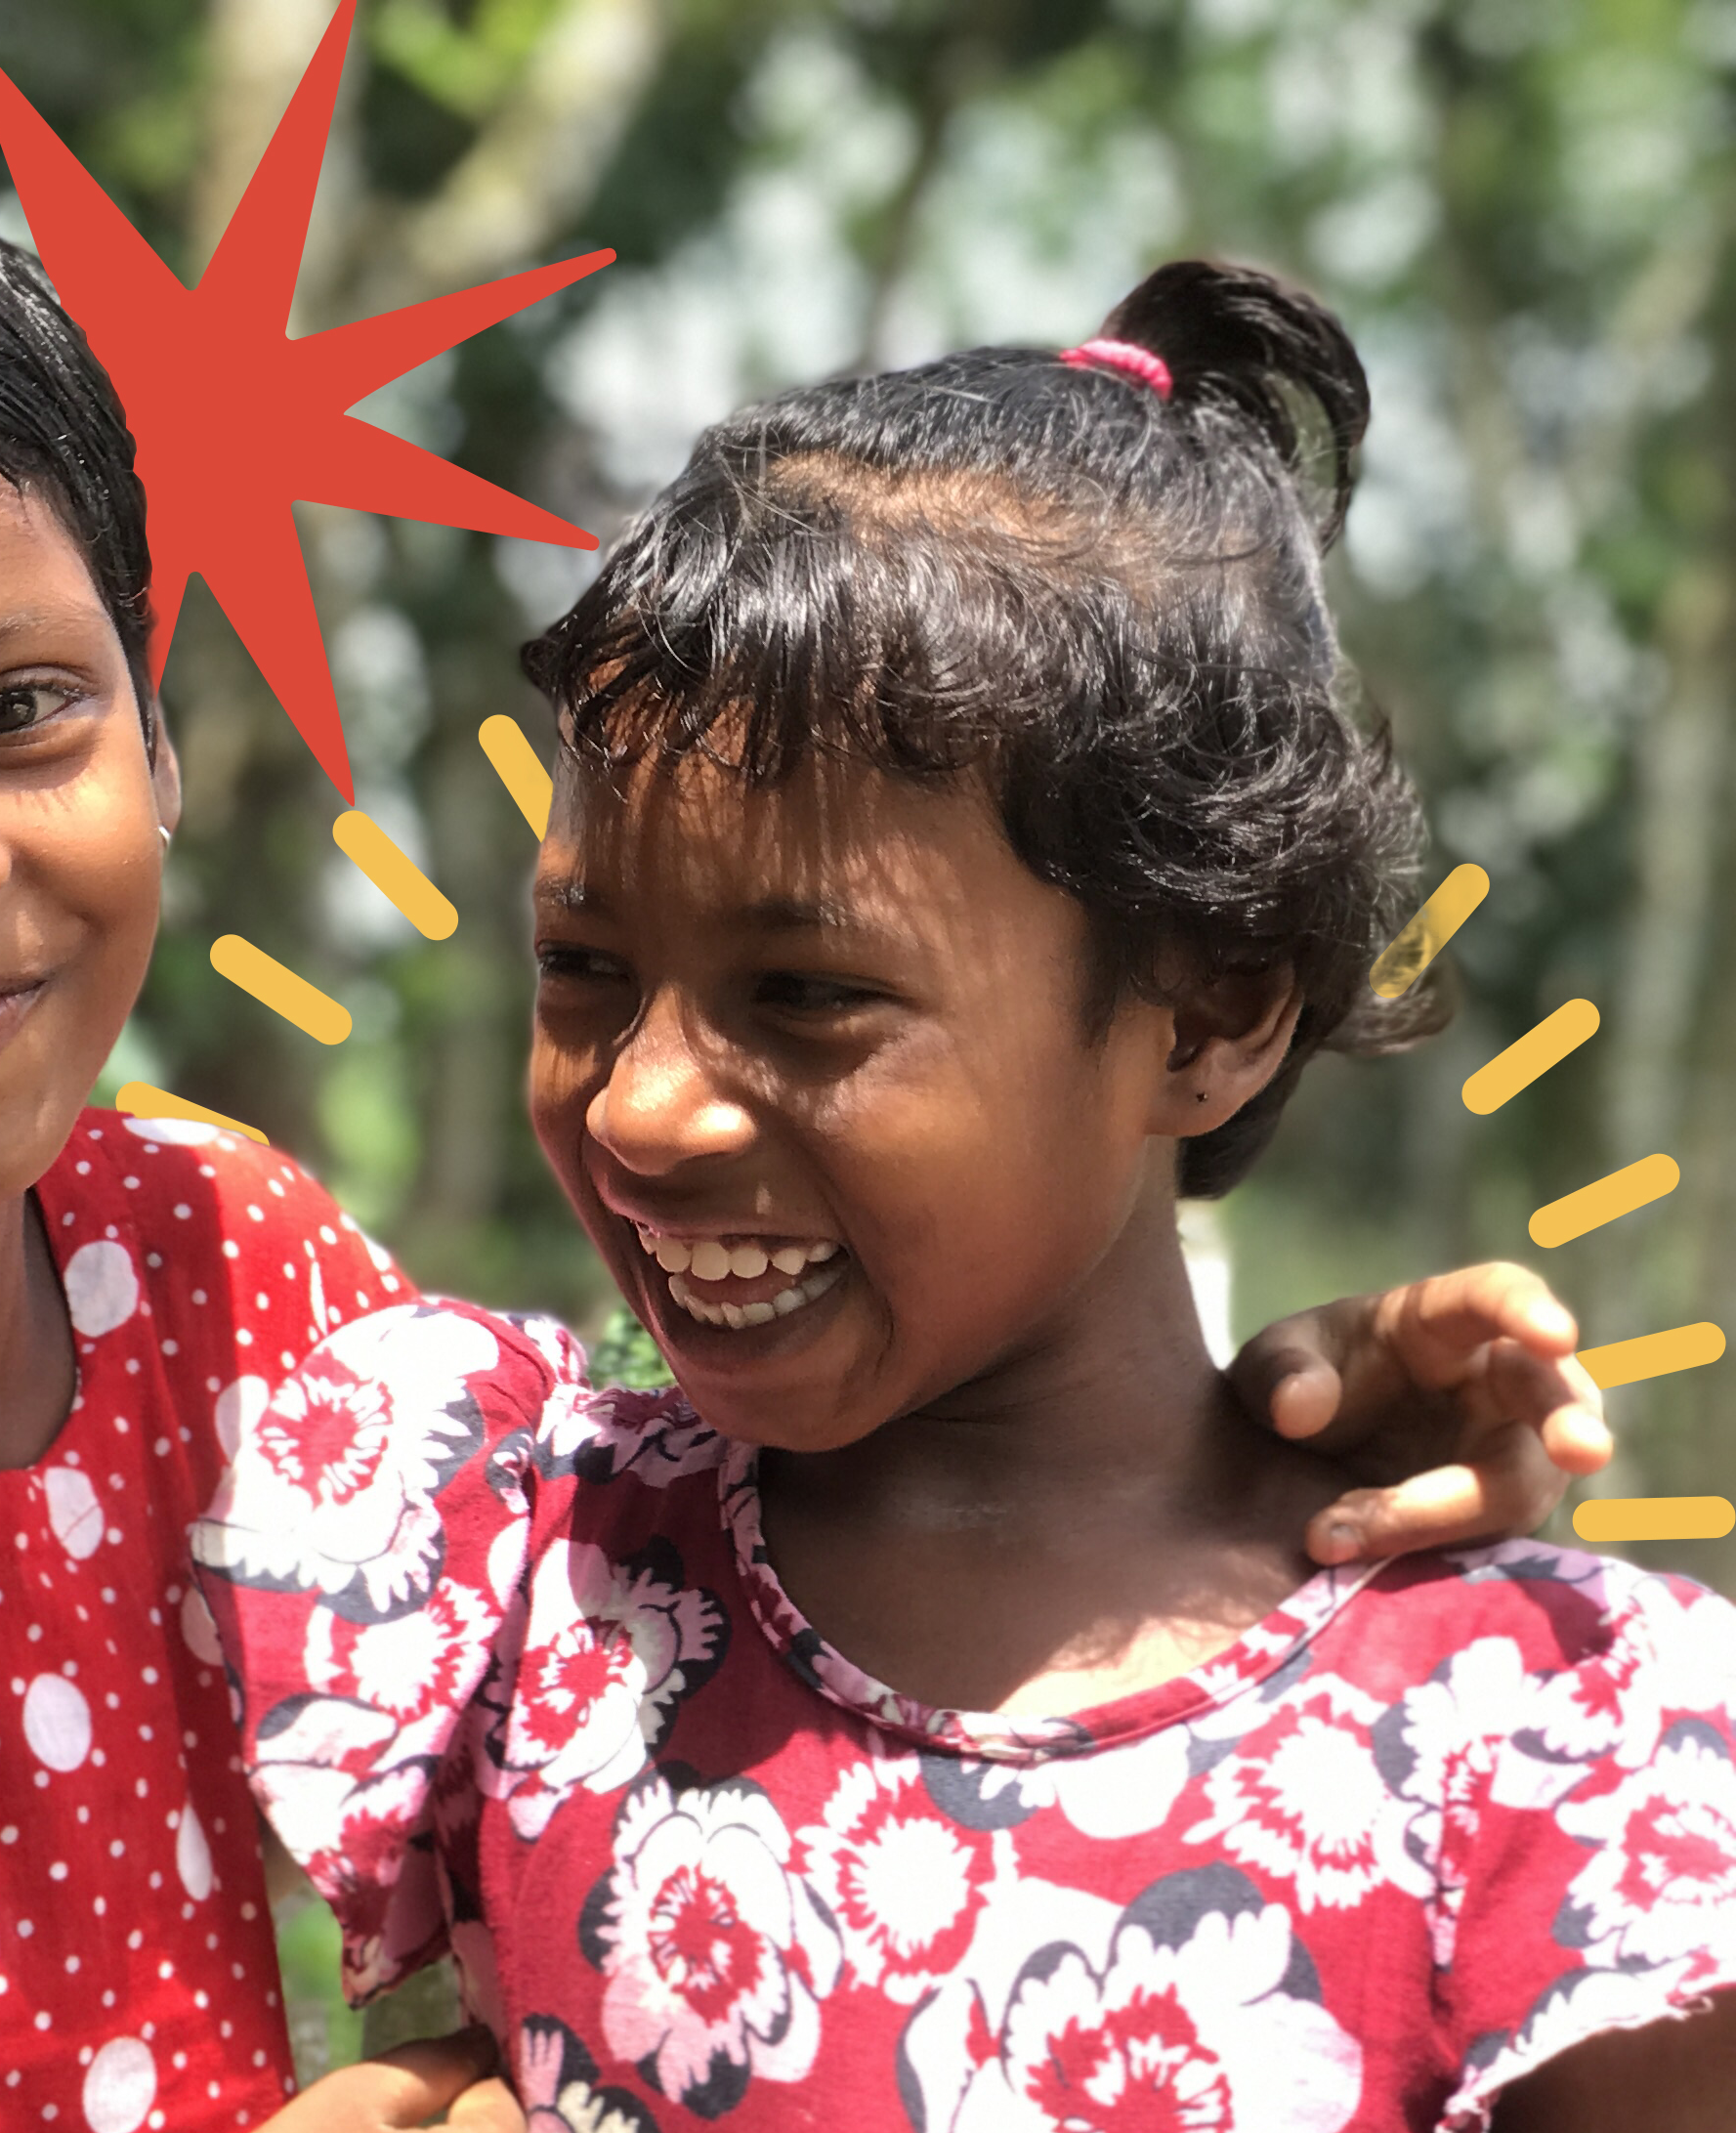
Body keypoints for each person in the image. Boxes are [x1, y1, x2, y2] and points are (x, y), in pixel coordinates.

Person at [0, 144, 1604, 2133]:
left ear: (155, 736)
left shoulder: (217, 1265)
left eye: (14, 711)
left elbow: (734, 1515)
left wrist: (1240, 1477)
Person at [195, 262, 1730, 2130]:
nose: (650, 1106)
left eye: (814, 996)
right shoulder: (526, 1578)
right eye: (584, 966)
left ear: (1212, 1016)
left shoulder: (1539, 1744)